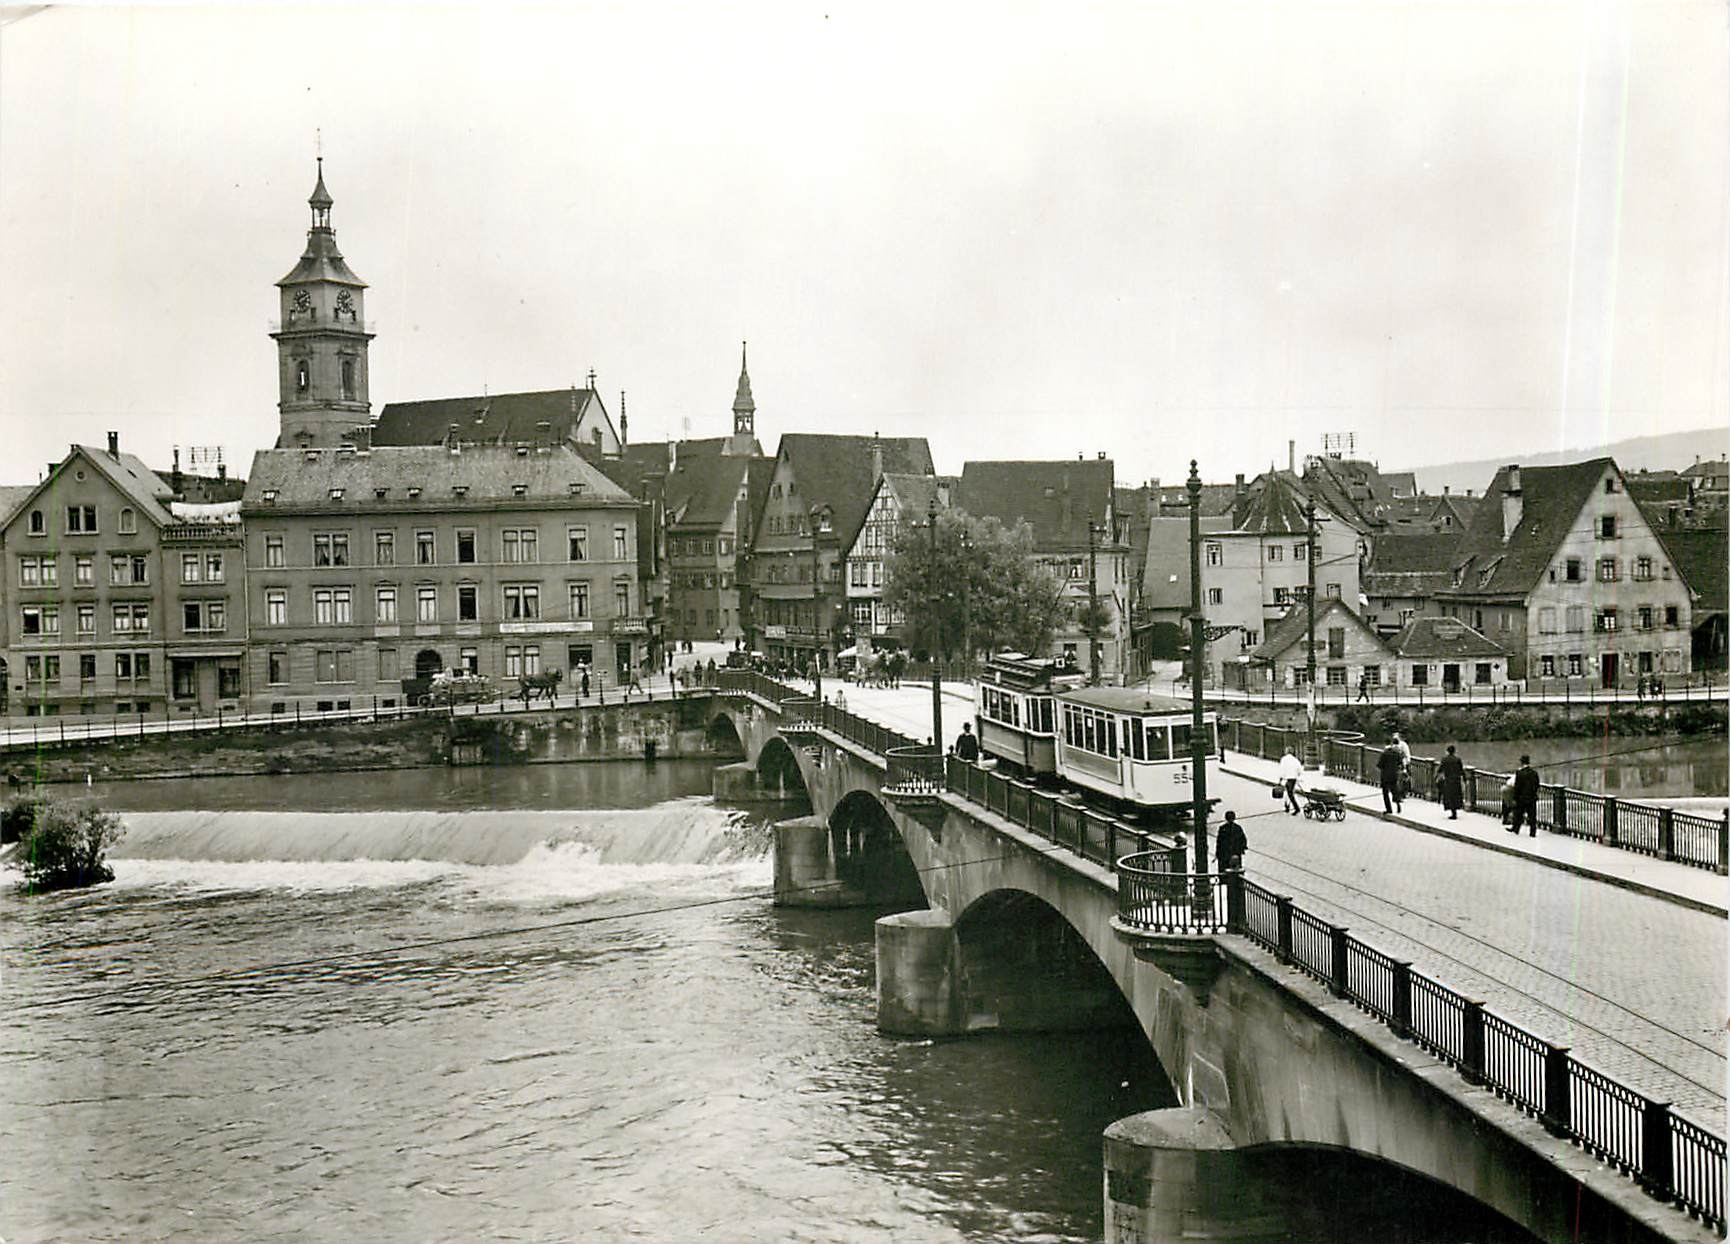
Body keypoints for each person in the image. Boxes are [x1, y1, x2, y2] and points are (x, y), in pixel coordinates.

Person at [1510, 755, 1542, 837]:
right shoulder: (1534, 773)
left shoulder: (1520, 773)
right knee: (1532, 816)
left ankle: (1516, 829)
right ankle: (1532, 832)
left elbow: (1517, 787)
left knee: (1519, 815)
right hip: (1531, 798)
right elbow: (1536, 785)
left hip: (1522, 798)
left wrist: (1515, 798)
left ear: (1521, 762)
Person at [1377, 741, 1405, 814]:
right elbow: (1400, 763)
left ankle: (1389, 809)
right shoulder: (1396, 753)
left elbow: (1379, 765)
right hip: (1394, 775)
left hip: (1385, 776)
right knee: (1394, 790)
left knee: (1385, 793)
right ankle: (1398, 803)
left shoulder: (1384, 753)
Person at [1437, 745, 1465, 819]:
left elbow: (1440, 770)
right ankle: (1455, 811)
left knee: (1450, 797)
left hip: (1448, 780)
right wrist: (1464, 779)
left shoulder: (1444, 759)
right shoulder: (1458, 759)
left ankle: (1453, 812)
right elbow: (1461, 770)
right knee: (1456, 796)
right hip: (1456, 780)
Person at [1278, 747, 1303, 815]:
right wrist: (1297, 775)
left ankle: (1296, 808)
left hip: (1287, 778)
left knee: (1289, 794)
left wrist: (1280, 778)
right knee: (1290, 793)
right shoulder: (1295, 760)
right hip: (1293, 779)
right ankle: (1287, 806)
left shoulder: (1284, 759)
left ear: (1286, 752)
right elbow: (1300, 770)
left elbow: (1282, 770)